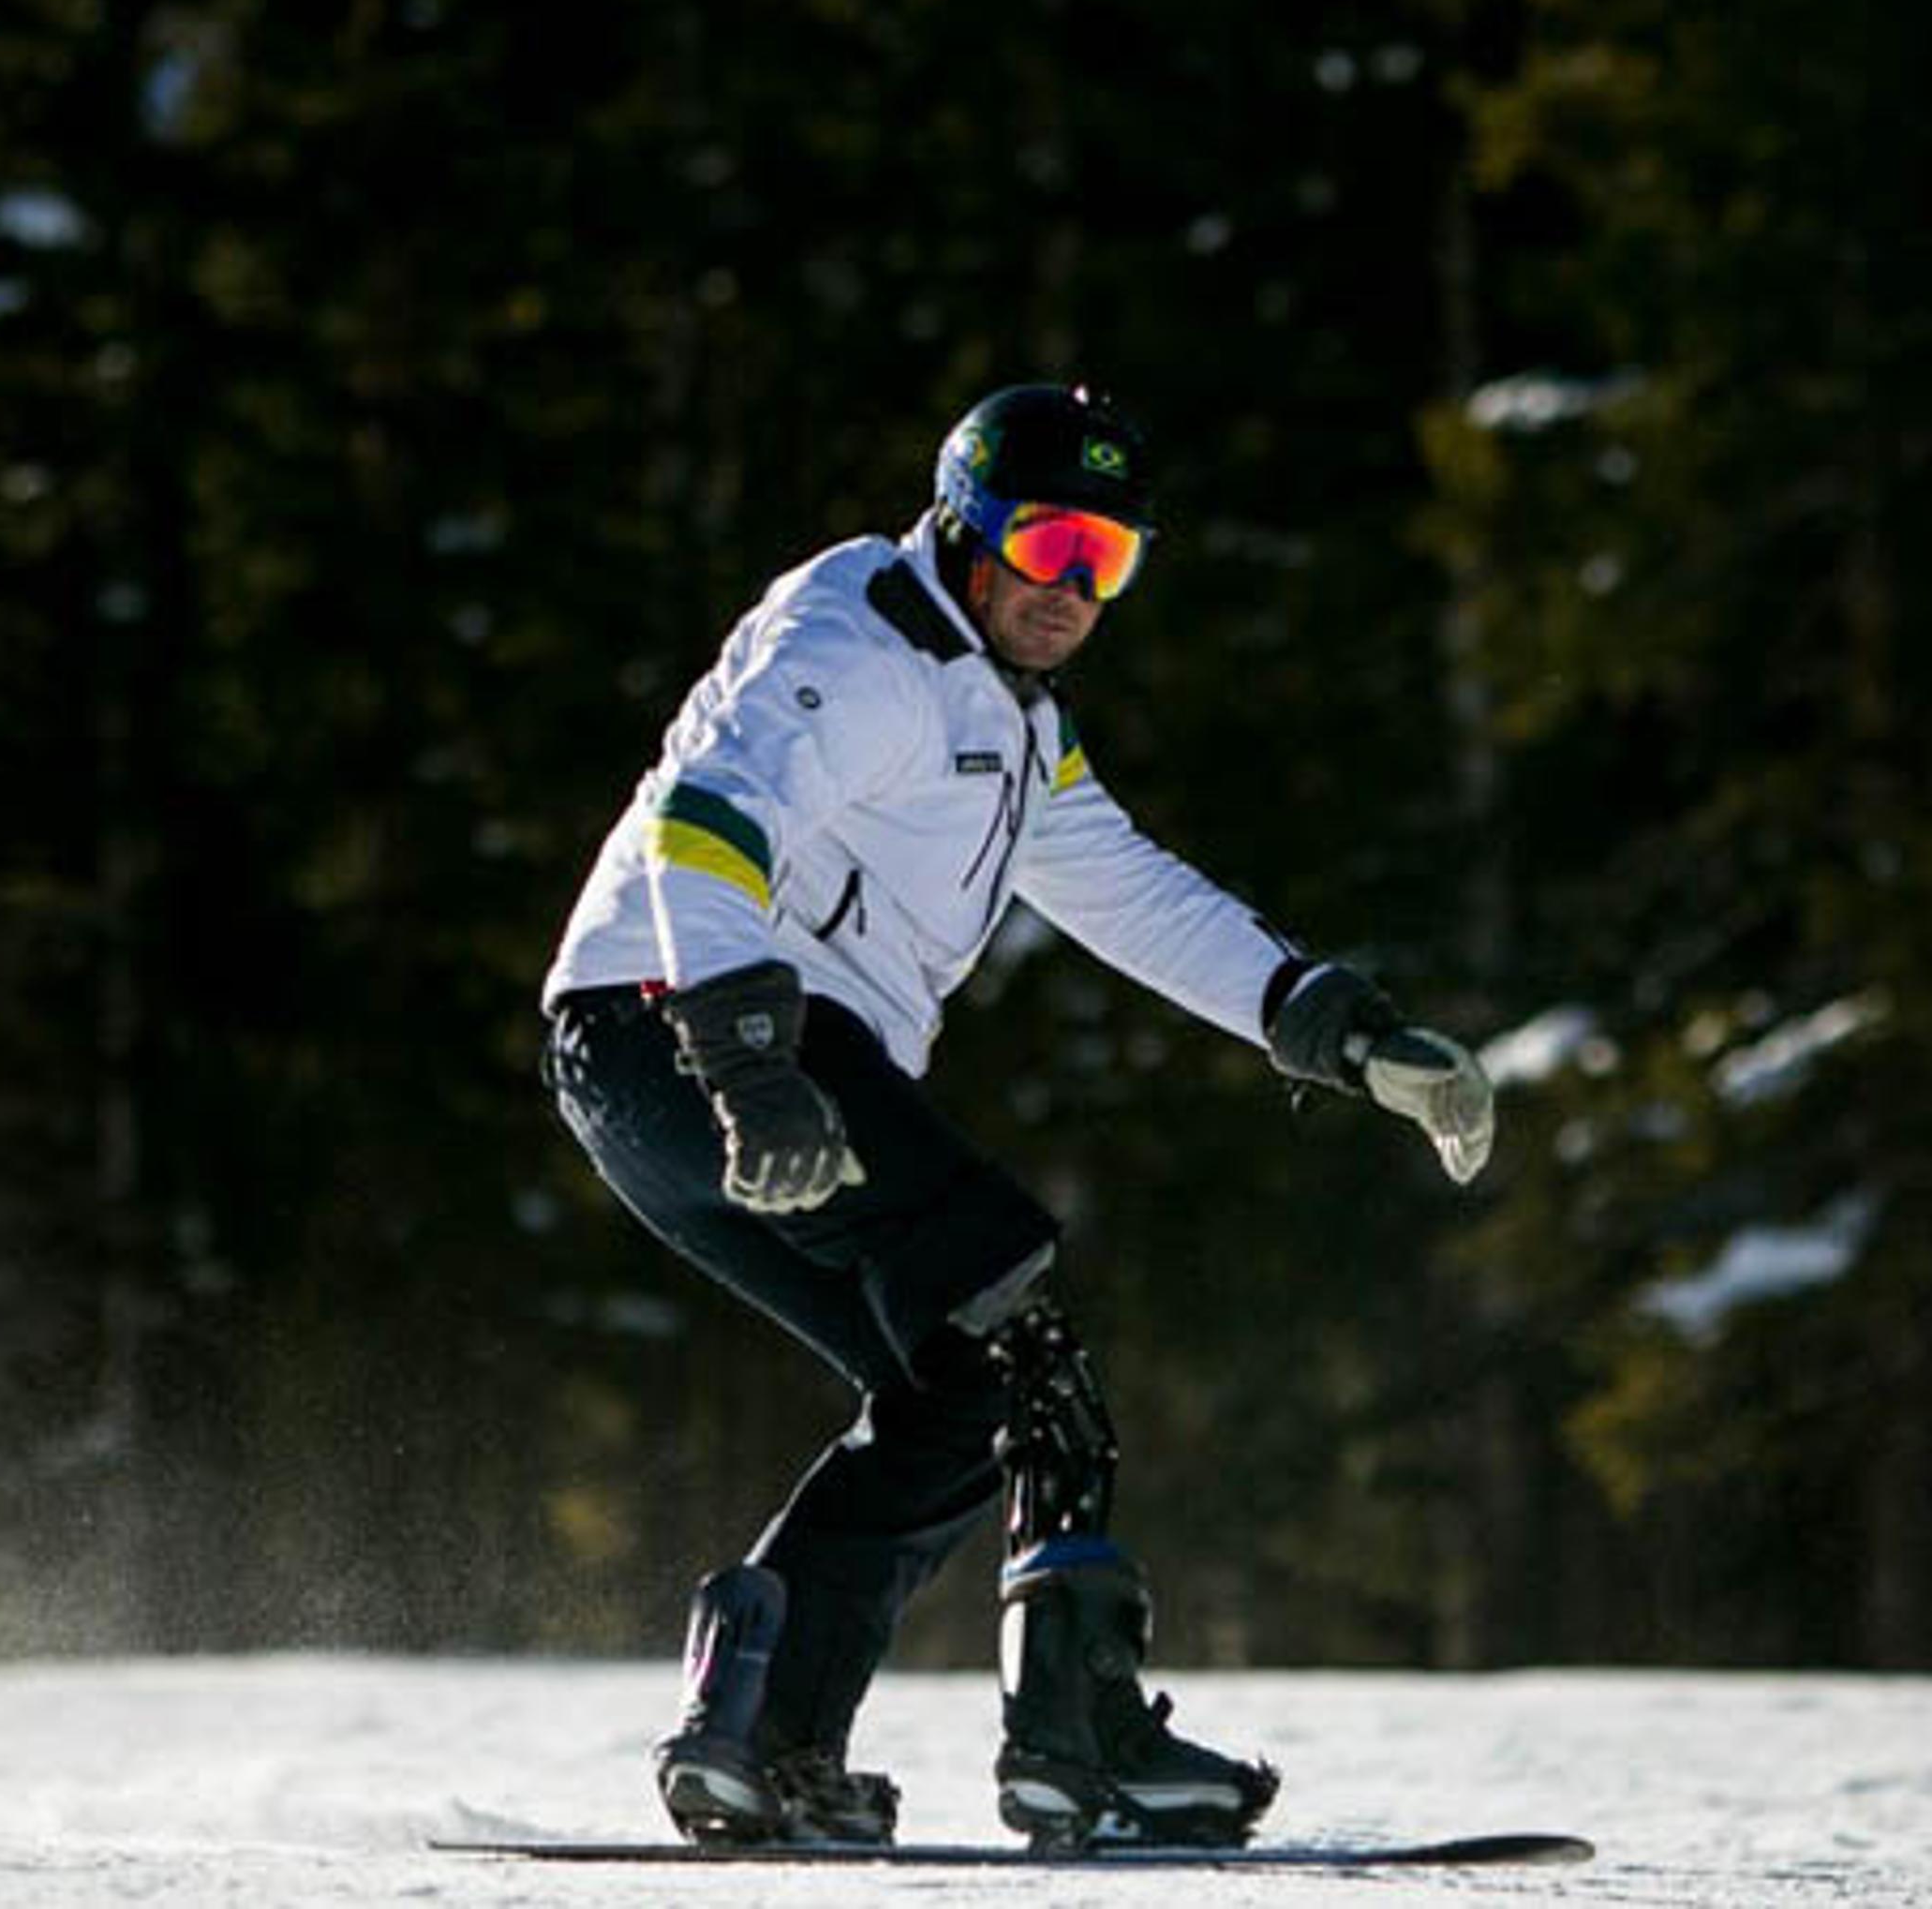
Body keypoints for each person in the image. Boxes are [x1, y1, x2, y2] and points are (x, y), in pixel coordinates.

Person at [537, 383, 1496, 1853]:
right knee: (1009, 1292)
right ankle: (1079, 1741)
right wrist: (749, 1061)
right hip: (690, 1017)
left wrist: (1329, 1024)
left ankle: (760, 1736)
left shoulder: (1010, 715)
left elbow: (1127, 886)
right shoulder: (865, 639)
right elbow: (706, 820)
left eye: (1111, 561)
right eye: (1050, 543)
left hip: (705, 1060)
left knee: (960, 1395)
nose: (1072, 591)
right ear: (966, 526)